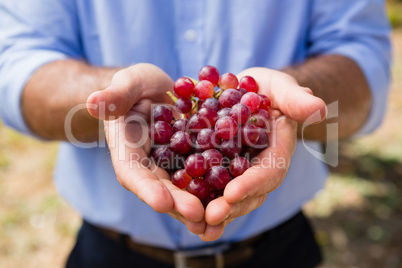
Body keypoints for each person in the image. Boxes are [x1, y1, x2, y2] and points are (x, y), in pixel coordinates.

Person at [0, 1, 391, 267]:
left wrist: (290, 100)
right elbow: (16, 63)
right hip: (109, 253)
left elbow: (363, 55)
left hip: (281, 248)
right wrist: (112, 98)